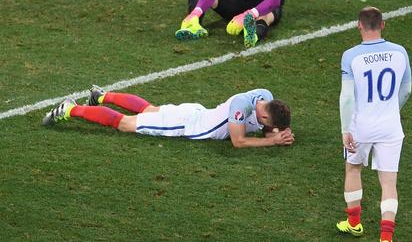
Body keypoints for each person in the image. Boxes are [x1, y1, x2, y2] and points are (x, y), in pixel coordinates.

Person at [336, 7, 412, 242]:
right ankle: (386, 238)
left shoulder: (351, 56)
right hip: (390, 126)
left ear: (359, 25)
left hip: (361, 126)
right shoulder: (400, 52)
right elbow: (407, 90)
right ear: (383, 24)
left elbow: (347, 97)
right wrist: (390, 110)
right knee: (388, 182)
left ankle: (354, 223)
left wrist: (345, 129)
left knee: (353, 168)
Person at [42, 86, 295, 148]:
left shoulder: (265, 95)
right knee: (126, 124)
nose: (266, 128)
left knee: (150, 109)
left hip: (196, 111)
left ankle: (101, 96)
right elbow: (238, 142)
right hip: (189, 124)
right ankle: (70, 109)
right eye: (267, 124)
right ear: (262, 114)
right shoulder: (241, 107)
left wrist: (277, 131)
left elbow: (266, 127)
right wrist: (271, 141)